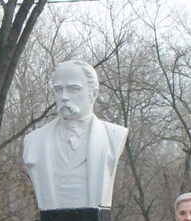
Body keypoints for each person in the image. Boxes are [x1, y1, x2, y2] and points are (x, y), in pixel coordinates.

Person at [20, 59, 130, 210]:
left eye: (73, 89)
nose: (64, 96)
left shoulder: (113, 136)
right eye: (58, 90)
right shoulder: (35, 141)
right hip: (53, 220)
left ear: (93, 93)